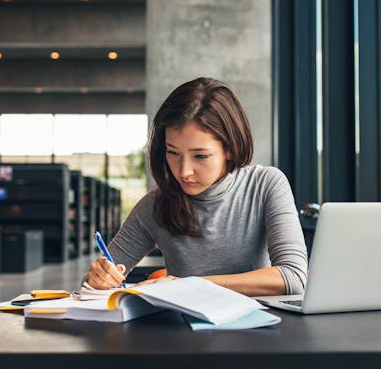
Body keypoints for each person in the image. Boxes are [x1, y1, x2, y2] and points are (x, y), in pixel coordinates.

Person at [86, 77, 308, 296]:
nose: (184, 171)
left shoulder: (265, 185)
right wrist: (97, 280)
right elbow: (90, 289)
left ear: (230, 148)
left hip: (259, 327)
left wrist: (188, 285)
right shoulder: (154, 206)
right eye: (173, 153)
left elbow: (294, 277)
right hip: (184, 330)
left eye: (200, 156)